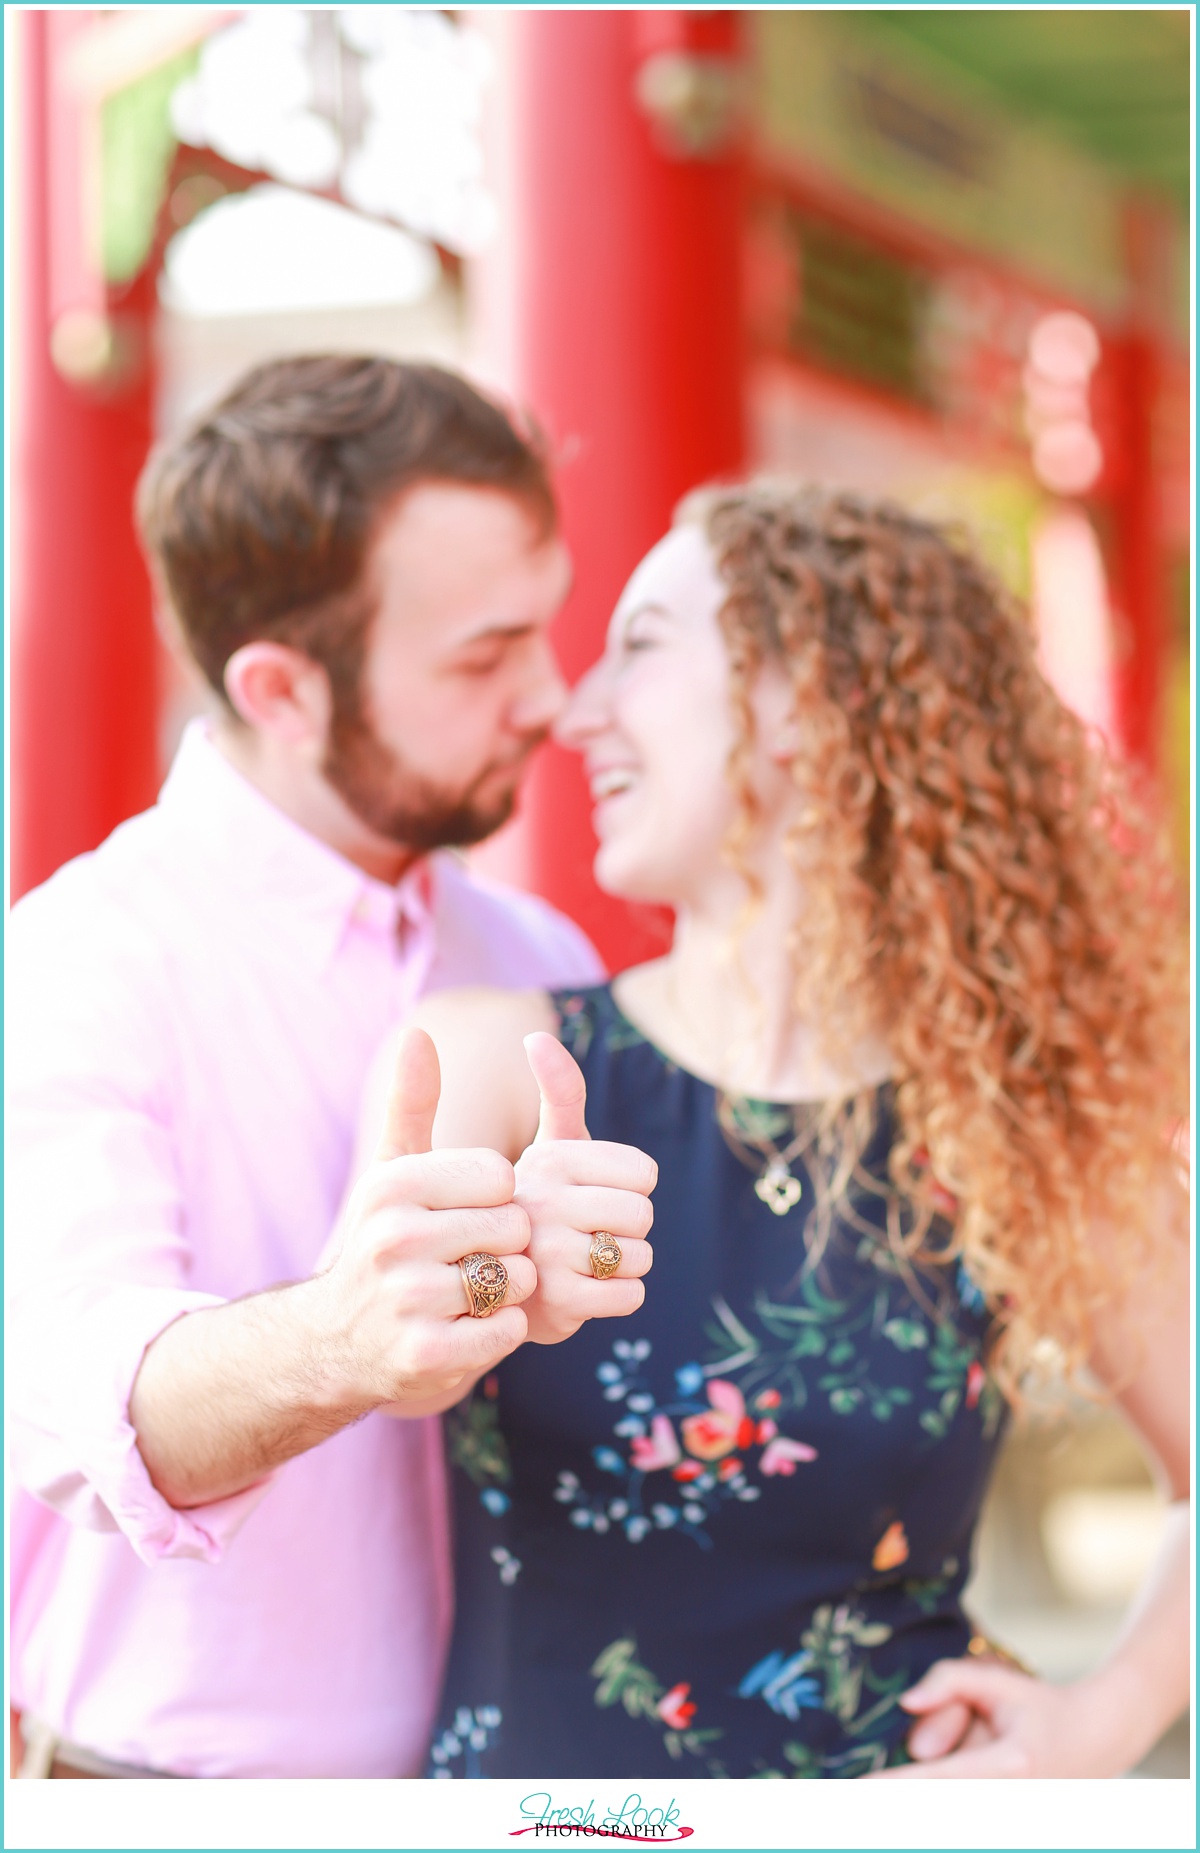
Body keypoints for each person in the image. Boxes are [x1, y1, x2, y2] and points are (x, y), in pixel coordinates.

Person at [372, 482, 1190, 1780]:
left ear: (809, 692)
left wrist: (1103, 1718)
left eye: (639, 645)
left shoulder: (1012, 1116)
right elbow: (352, 1366)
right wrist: (469, 1282)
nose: (577, 712)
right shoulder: (497, 1060)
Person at [8, 355, 657, 1779]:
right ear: (282, 688)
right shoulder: (77, 961)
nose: (552, 697)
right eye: (484, 658)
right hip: (163, 1797)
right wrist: (347, 1339)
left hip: (512, 1781)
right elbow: (86, 1395)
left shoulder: (528, 944)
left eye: (544, 631)